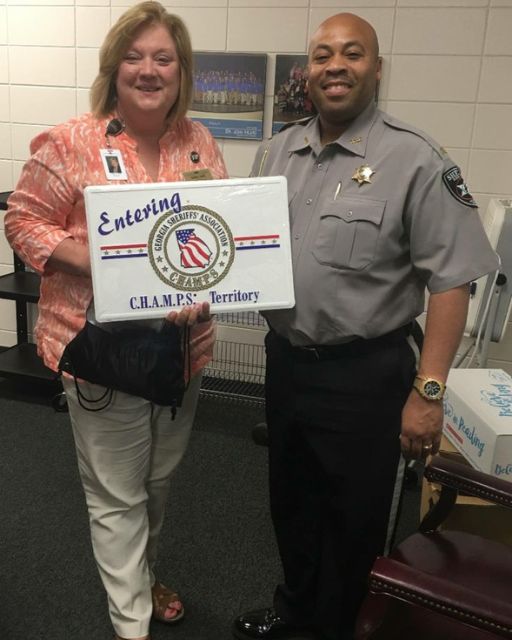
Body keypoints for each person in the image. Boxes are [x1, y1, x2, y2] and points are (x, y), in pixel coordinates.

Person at [233, 12, 499, 640]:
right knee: (292, 502)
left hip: (366, 374)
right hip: (287, 363)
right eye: (322, 54)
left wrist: (429, 391)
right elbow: (246, 248)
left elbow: (452, 282)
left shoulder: (415, 159)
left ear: (376, 70)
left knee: (353, 519)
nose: (336, 66)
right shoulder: (276, 151)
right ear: (308, 71)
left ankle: (340, 627)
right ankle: (296, 610)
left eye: (352, 54)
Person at [5, 3, 228, 639]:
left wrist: (203, 287)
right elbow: (22, 221)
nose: (148, 70)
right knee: (116, 495)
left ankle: (142, 575)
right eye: (134, 57)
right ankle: (132, 623)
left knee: (156, 483)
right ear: (114, 68)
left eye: (163, 58)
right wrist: (102, 261)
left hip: (183, 351)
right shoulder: (71, 141)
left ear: (182, 71)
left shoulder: (200, 142)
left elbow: (217, 232)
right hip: (101, 351)